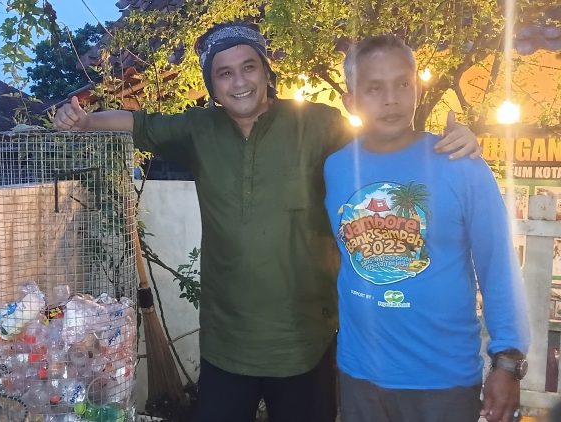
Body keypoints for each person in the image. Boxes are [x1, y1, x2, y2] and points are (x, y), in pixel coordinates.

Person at [54, 22, 481, 422]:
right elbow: (137, 123)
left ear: (266, 71)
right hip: (227, 343)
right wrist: (85, 121)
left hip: (306, 341)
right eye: (224, 73)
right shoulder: (198, 130)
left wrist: (449, 143)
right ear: (212, 86)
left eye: (249, 67)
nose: (239, 82)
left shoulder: (317, 123)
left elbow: (386, 146)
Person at [323, 34, 530, 422]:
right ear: (351, 101)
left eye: (403, 83)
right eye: (374, 88)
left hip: (443, 380)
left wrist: (507, 360)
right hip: (359, 375)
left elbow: (498, 265)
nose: (391, 99)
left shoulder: (460, 164)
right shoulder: (335, 168)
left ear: (418, 88)